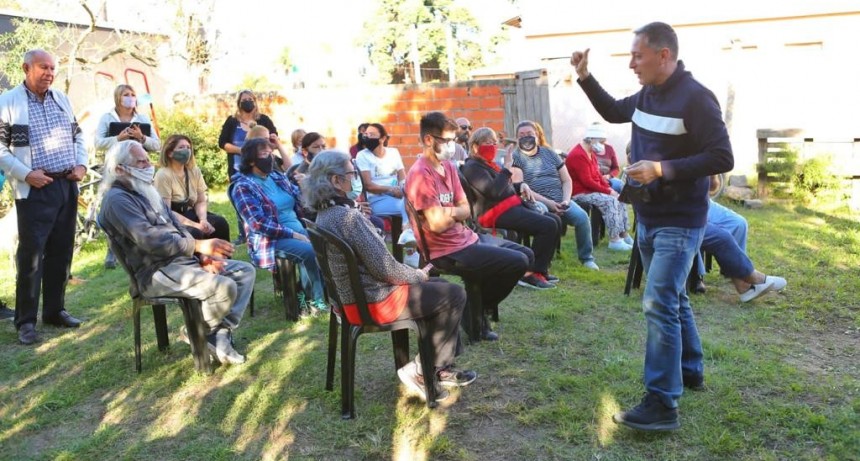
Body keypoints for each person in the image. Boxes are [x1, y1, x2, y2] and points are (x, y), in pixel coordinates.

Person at [572, 21, 734, 430]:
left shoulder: (697, 98)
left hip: (681, 220)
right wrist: (585, 77)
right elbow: (612, 110)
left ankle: (663, 403)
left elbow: (722, 157)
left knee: (658, 301)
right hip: (647, 214)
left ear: (664, 55)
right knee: (673, 298)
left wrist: (664, 168)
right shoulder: (646, 95)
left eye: (637, 55)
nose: (631, 64)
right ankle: (691, 370)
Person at [304, 149, 477, 402]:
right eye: (351, 173)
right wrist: (418, 275)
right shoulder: (347, 217)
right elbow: (386, 268)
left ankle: (436, 367)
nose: (355, 179)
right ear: (335, 181)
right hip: (374, 302)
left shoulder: (326, 214)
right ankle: (425, 370)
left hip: (352, 300)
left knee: (440, 287)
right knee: (453, 293)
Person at [99, 140, 254, 364]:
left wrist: (200, 257)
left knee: (244, 272)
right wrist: (198, 247)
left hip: (181, 261)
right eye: (140, 162)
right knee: (224, 286)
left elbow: (178, 226)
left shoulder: (144, 190)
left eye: (146, 160)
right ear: (118, 169)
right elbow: (150, 240)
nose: (147, 165)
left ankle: (214, 332)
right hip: (155, 271)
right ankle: (203, 333)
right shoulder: (117, 200)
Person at [406, 112, 531, 341]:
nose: (453, 145)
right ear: (428, 140)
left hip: (465, 237)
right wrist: (454, 214)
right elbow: (435, 224)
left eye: (454, 140)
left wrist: (449, 213)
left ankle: (476, 308)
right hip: (446, 249)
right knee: (518, 261)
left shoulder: (450, 167)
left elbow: (466, 209)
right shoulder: (420, 174)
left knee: (526, 254)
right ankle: (474, 311)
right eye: (447, 141)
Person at [0, 49, 87, 345]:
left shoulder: (62, 99)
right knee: (32, 257)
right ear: (26, 68)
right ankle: (25, 322)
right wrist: (26, 174)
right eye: (43, 67)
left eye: (52, 68)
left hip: (66, 184)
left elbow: (78, 136)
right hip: (34, 189)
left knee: (62, 252)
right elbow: (0, 149)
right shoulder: (8, 102)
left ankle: (54, 311)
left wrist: (82, 164)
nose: (49, 73)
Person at [230, 138, 327, 312]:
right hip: (270, 239)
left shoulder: (276, 177)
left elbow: (300, 198)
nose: (270, 158)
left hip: (298, 229)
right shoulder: (242, 187)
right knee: (309, 251)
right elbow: (258, 223)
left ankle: (310, 292)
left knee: (327, 243)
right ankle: (316, 302)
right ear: (251, 160)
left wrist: (307, 186)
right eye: (264, 154)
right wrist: (292, 234)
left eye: (270, 153)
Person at [461, 127, 560, 289]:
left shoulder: (487, 165)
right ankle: (528, 274)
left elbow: (502, 187)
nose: (492, 146)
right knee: (547, 225)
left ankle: (541, 270)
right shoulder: (472, 168)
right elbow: (493, 193)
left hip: (506, 206)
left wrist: (521, 185)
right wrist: (507, 168)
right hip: (493, 213)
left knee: (554, 219)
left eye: (494, 142)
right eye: (487, 143)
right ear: (475, 146)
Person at [510, 120, 600, 271]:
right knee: (545, 218)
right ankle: (543, 261)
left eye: (530, 134)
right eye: (522, 135)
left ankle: (587, 258)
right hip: (535, 201)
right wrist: (550, 204)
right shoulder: (515, 157)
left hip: (561, 199)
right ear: (517, 138)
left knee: (582, 217)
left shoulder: (550, 153)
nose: (526, 137)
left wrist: (565, 200)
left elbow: (566, 180)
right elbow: (520, 187)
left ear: (537, 135)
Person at [93, 83, 163, 268]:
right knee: (115, 205)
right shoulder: (107, 118)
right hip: (117, 169)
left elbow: (157, 145)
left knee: (146, 204)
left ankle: (150, 241)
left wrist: (141, 137)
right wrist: (118, 138)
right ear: (118, 97)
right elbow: (98, 142)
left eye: (133, 94)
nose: (131, 97)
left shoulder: (142, 118)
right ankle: (113, 249)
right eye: (126, 94)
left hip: (139, 169)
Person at [218, 90, 278, 244]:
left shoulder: (263, 119)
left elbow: (274, 141)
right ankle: (243, 234)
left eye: (251, 99)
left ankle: (268, 228)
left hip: (261, 168)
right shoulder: (232, 121)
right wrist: (244, 151)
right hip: (238, 168)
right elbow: (223, 143)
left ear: (255, 101)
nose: (248, 102)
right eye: (244, 99)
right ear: (239, 103)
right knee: (241, 200)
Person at [698, 199, 787, 302]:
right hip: (681, 205)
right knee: (722, 238)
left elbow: (714, 186)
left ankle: (742, 284)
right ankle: (752, 279)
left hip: (700, 198)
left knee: (739, 223)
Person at [564, 125, 634, 251]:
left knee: (620, 197)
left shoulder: (591, 152)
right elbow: (587, 181)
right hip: (580, 193)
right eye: (601, 142)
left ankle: (624, 235)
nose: (603, 145)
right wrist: (608, 192)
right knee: (611, 201)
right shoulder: (578, 154)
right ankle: (615, 240)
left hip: (591, 190)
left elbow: (597, 175)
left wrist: (609, 188)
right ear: (591, 139)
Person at [154, 134, 230, 241]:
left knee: (220, 223)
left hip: (192, 212)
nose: (186, 150)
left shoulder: (194, 171)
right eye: (181, 147)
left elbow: (200, 201)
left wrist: (203, 220)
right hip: (173, 218)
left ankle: (223, 256)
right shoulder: (163, 175)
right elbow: (166, 211)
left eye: (188, 147)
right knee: (195, 233)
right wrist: (195, 225)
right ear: (170, 153)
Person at [355, 122, 410, 228]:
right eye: (365, 134)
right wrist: (391, 190)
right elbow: (368, 185)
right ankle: (407, 233)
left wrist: (404, 191)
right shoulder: (362, 155)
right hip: (376, 200)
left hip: (398, 196)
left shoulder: (393, 153)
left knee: (415, 202)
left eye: (371, 134)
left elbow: (403, 177)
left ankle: (409, 235)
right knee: (408, 206)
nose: (366, 137)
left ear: (382, 138)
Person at [581, 123, 623, 193]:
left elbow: (616, 168)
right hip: (595, 178)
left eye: (603, 141)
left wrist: (609, 176)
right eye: (601, 142)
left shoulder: (610, 149)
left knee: (620, 185)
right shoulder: (588, 150)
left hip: (608, 178)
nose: (602, 144)